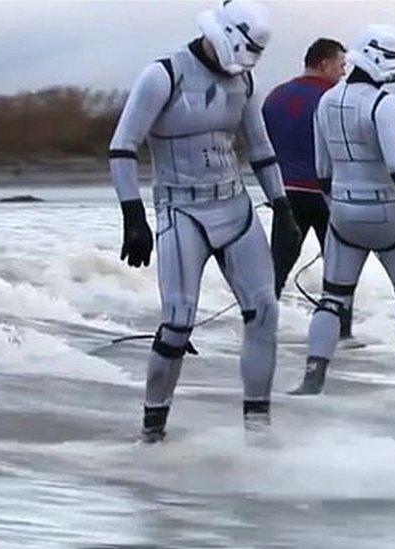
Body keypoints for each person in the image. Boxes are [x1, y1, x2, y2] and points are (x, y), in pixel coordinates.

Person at [108, 0, 300, 442]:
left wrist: (282, 206)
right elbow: (123, 146)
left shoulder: (245, 79)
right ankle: (152, 432)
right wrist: (132, 215)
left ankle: (258, 429)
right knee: (178, 319)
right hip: (181, 210)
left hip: (234, 206)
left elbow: (260, 147)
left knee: (265, 310)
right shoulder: (163, 75)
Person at [288, 24, 395, 395]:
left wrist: (336, 208)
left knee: (332, 297)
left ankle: (313, 378)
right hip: (391, 213)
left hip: (343, 211)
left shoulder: (326, 101)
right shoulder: (384, 103)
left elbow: (322, 170)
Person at [264, 39, 354, 337]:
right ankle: (342, 335)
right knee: (340, 268)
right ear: (325, 63)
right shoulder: (334, 97)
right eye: (341, 66)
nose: (343, 73)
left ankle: (260, 327)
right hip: (325, 194)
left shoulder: (274, 97)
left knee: (277, 267)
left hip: (285, 194)